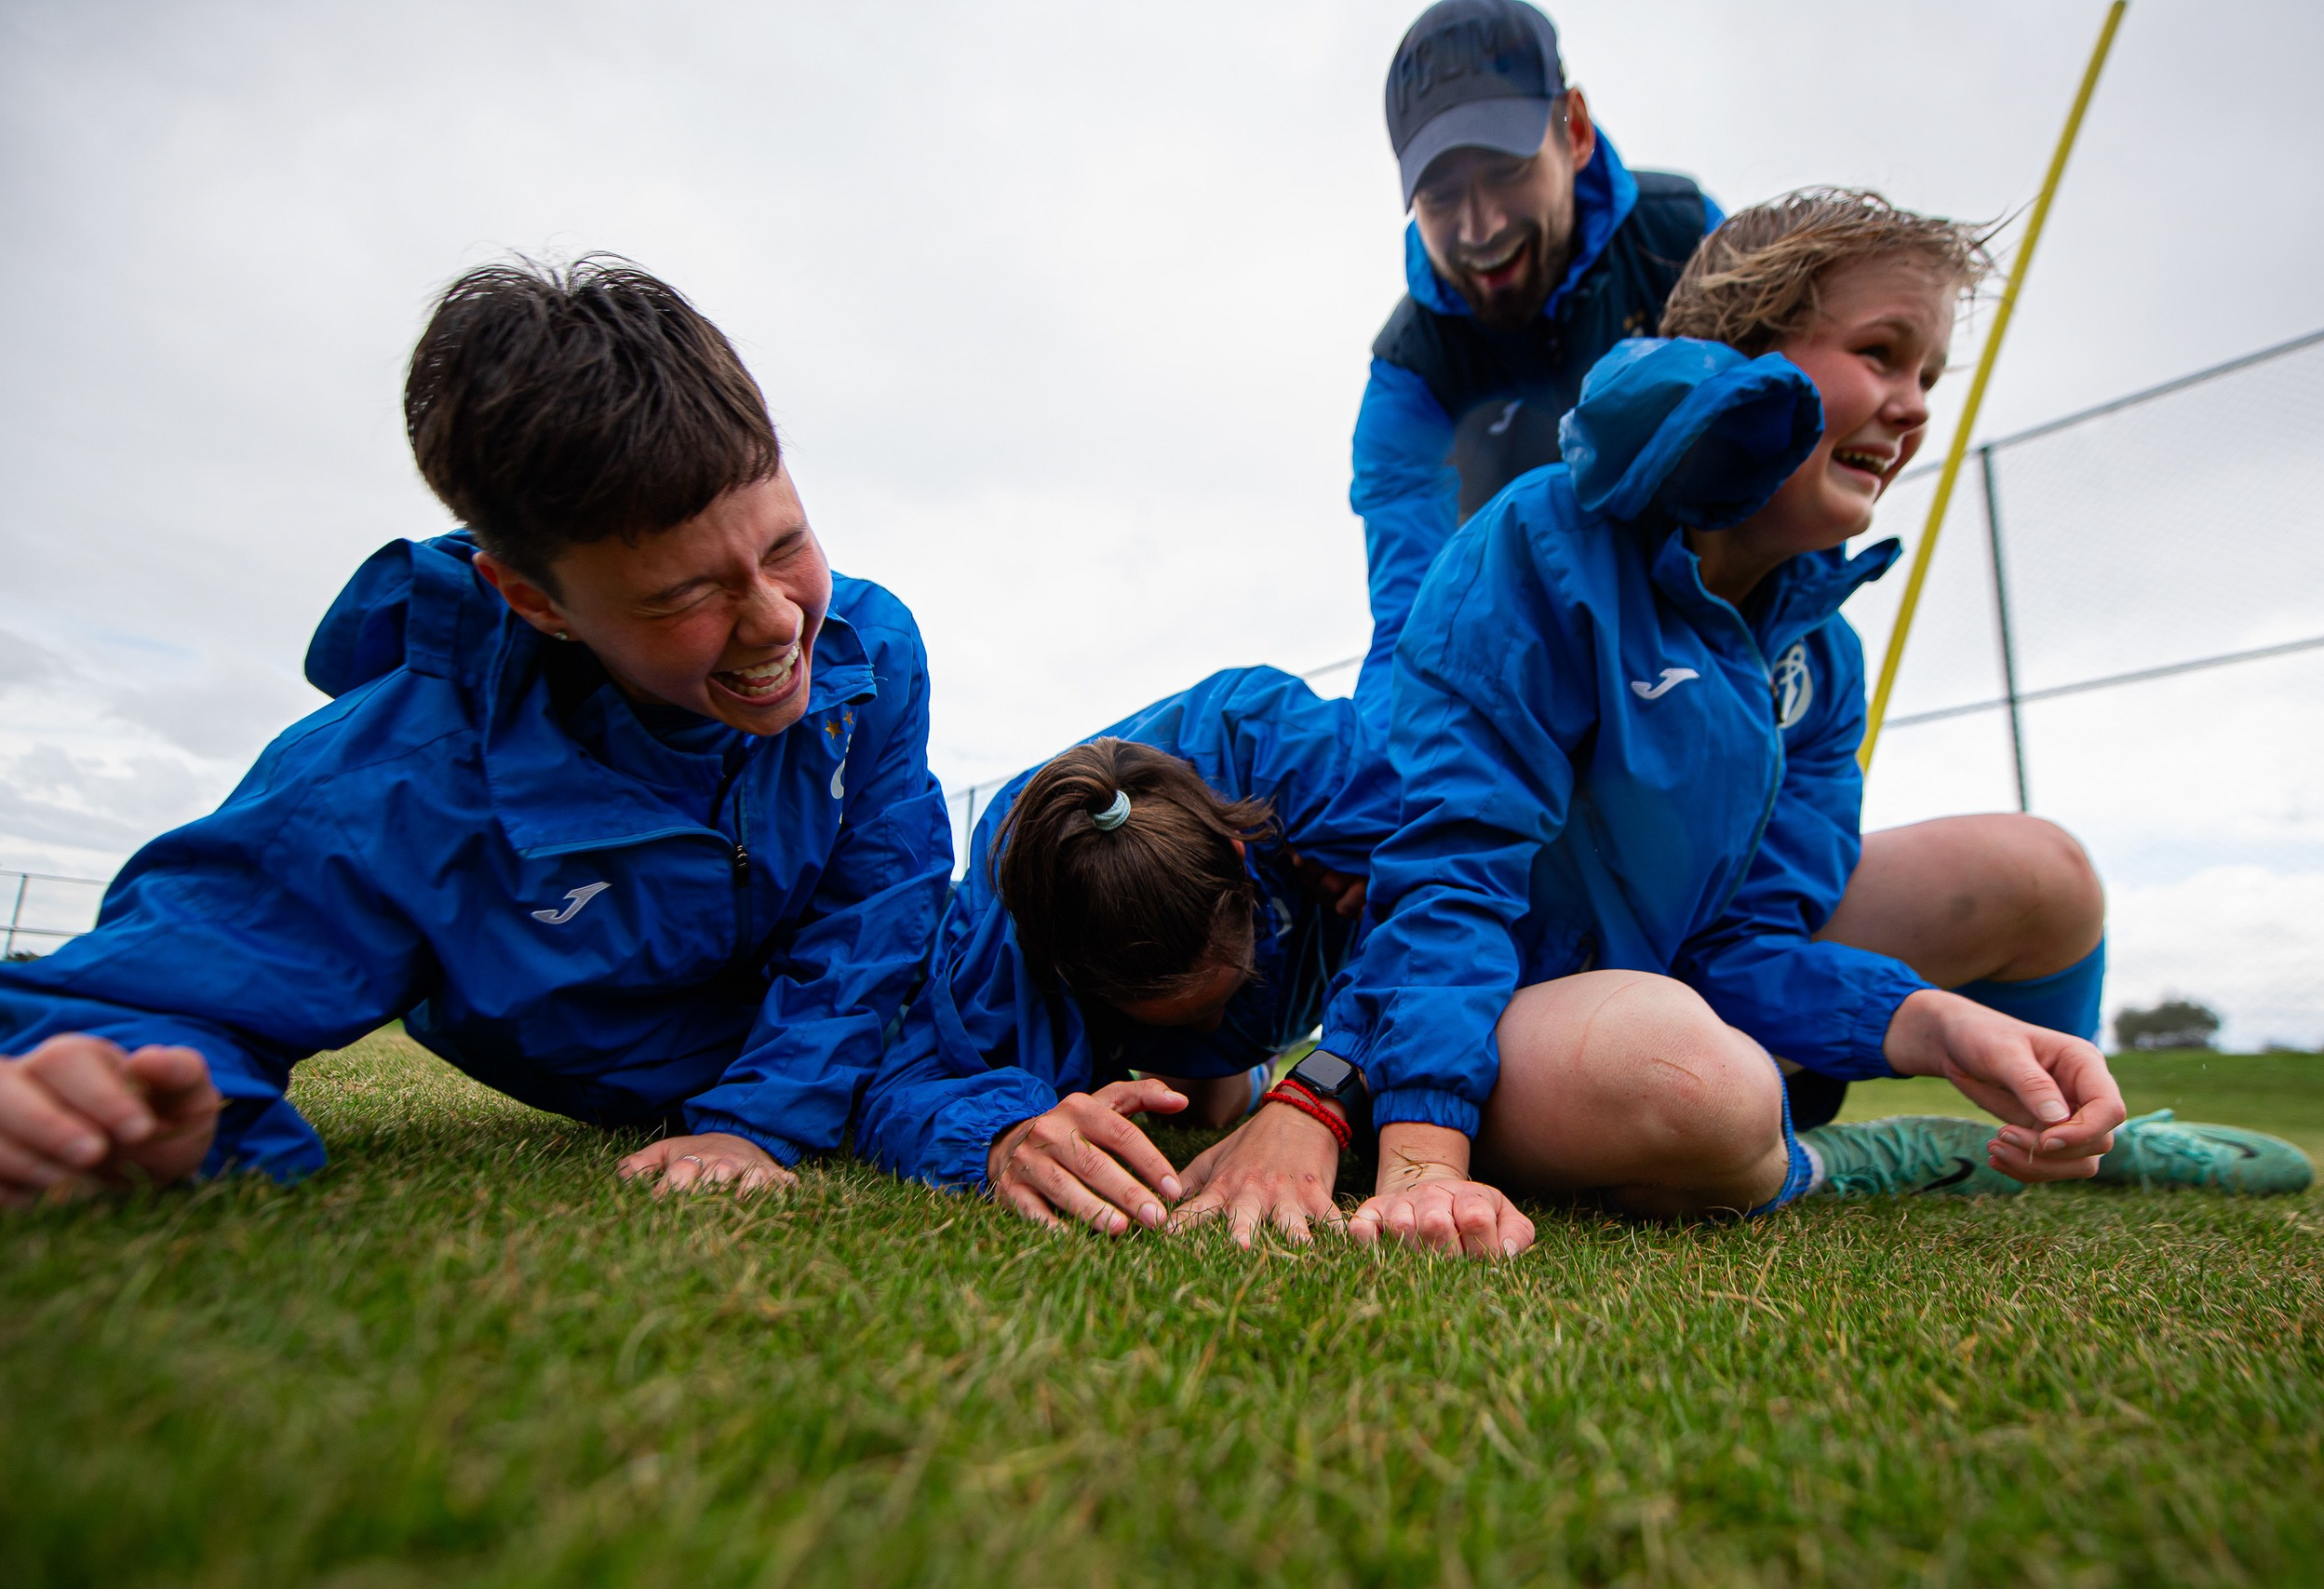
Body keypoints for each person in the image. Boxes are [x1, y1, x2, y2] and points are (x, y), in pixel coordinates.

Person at [1313, 189, 2309, 1259]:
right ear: (1738, 366)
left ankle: (2064, 1134)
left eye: (1927, 373)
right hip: (1510, 1007)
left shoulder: (1818, 656)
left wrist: (1931, 1020)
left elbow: (1746, 943)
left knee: (2046, 869)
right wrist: (1423, 1159)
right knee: (1696, 1088)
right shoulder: (1536, 548)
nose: (1914, 404)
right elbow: (1445, 873)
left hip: (1677, 987)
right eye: (1881, 353)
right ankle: (1836, 1162)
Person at [0, 259, 952, 1209]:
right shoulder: (401, 781)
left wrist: (757, 1122)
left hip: (923, 1025)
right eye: (685, 593)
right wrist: (109, 1105)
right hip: (671, 1080)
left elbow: (879, 900)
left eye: (787, 544)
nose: (781, 623)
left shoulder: (871, 647)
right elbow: (175, 1001)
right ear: (532, 599)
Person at [856, 667, 1395, 1245]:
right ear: (1074, 981)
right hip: (1145, 1022)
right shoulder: (1003, 932)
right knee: (1203, 1105)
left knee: (1211, 1091)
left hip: (1293, 962)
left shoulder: (1291, 749)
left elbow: (1450, 892)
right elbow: (902, 1088)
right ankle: (1230, 1076)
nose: (1213, 1026)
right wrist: (1000, 1136)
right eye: (1184, 1017)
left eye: (1225, 988)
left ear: (1242, 859)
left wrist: (1317, 1084)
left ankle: (1240, 1071)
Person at [1353, 0, 1722, 735]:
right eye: (1441, 195)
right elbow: (1410, 621)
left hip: (1710, 632)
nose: (1480, 227)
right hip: (1535, 684)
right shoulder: (1409, 375)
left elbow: (1781, 444)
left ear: (1575, 130)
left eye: (1507, 171)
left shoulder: (1683, 243)